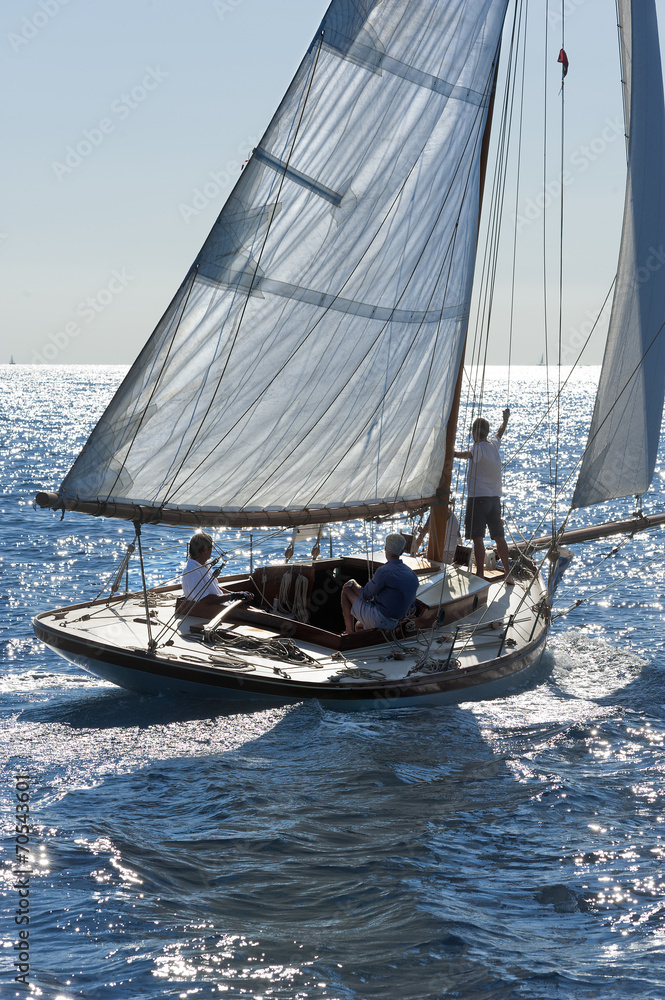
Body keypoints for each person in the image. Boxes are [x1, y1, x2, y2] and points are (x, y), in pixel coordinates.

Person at [454, 408, 515, 584]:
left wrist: (451, 453)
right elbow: (500, 431)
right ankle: (508, 574)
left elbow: (467, 455)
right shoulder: (494, 444)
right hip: (494, 500)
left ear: (474, 432)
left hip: (478, 501)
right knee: (499, 537)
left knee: (478, 539)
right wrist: (505, 420)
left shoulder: (477, 448)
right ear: (486, 432)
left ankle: (480, 575)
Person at [341, 533, 419, 633]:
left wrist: (353, 583)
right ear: (402, 552)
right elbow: (410, 604)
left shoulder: (383, 571)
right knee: (359, 626)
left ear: (385, 548)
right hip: (394, 622)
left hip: (380, 619)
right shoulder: (412, 574)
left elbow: (365, 595)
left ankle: (348, 632)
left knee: (346, 590)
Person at [182, 531, 230, 605]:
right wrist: (231, 596)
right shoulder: (192, 571)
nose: (212, 551)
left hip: (224, 604)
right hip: (213, 610)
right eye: (212, 548)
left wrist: (234, 595)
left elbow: (215, 587)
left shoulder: (204, 564)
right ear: (205, 549)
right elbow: (204, 599)